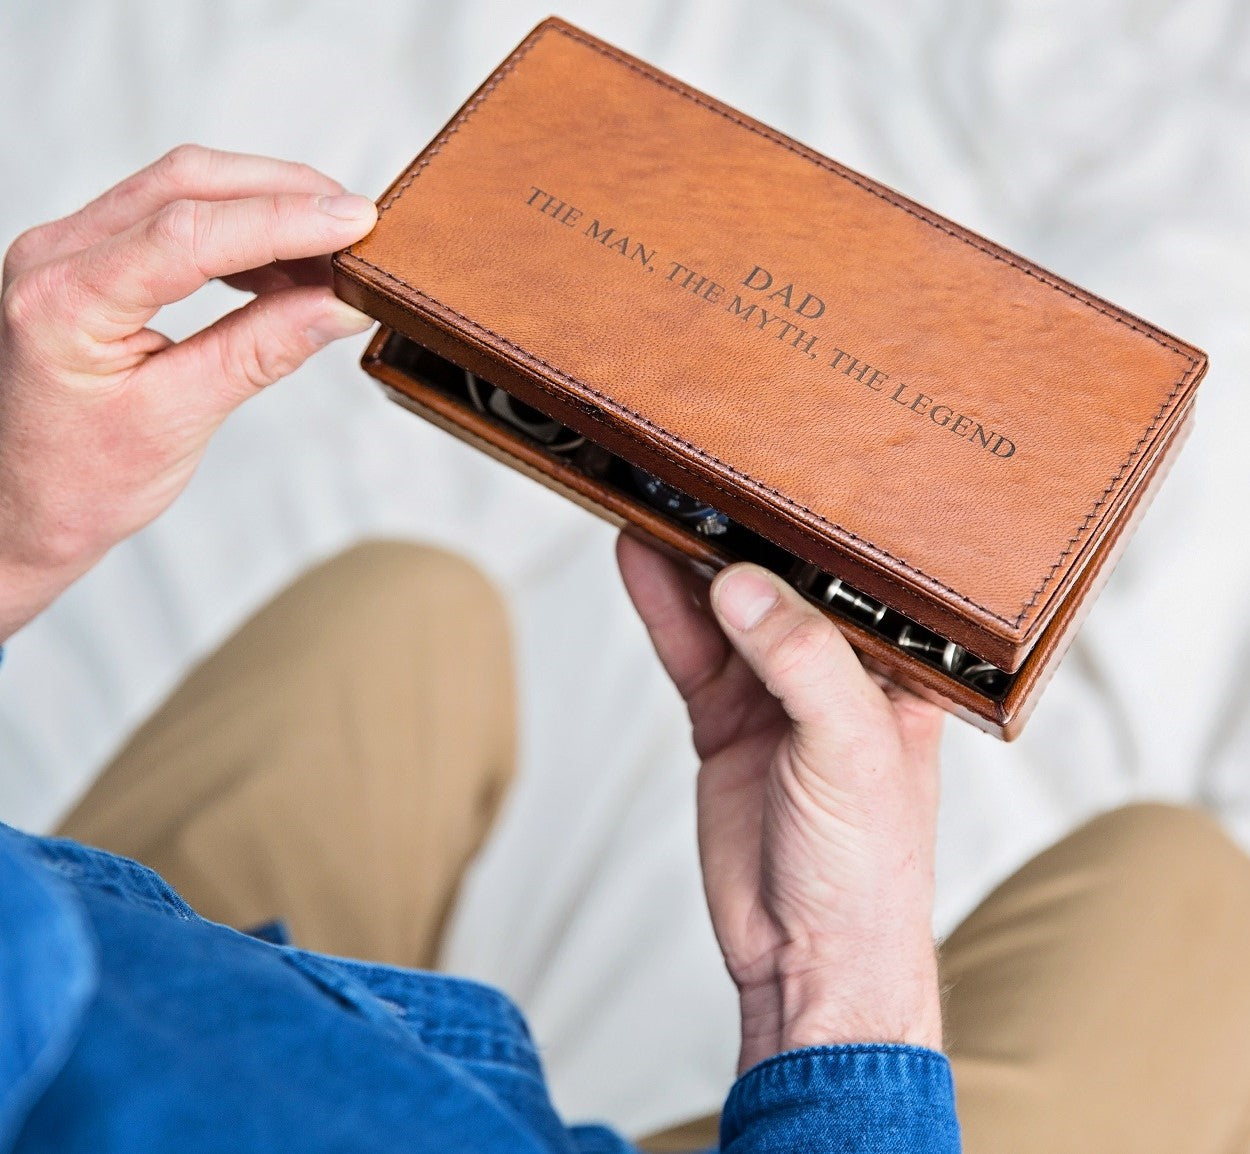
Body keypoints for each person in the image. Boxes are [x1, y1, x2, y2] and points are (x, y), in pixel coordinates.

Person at [2, 147, 1249, 1154]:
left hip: (166, 973)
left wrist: (13, 554)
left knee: (408, 601)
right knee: (1186, 897)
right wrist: (825, 984)